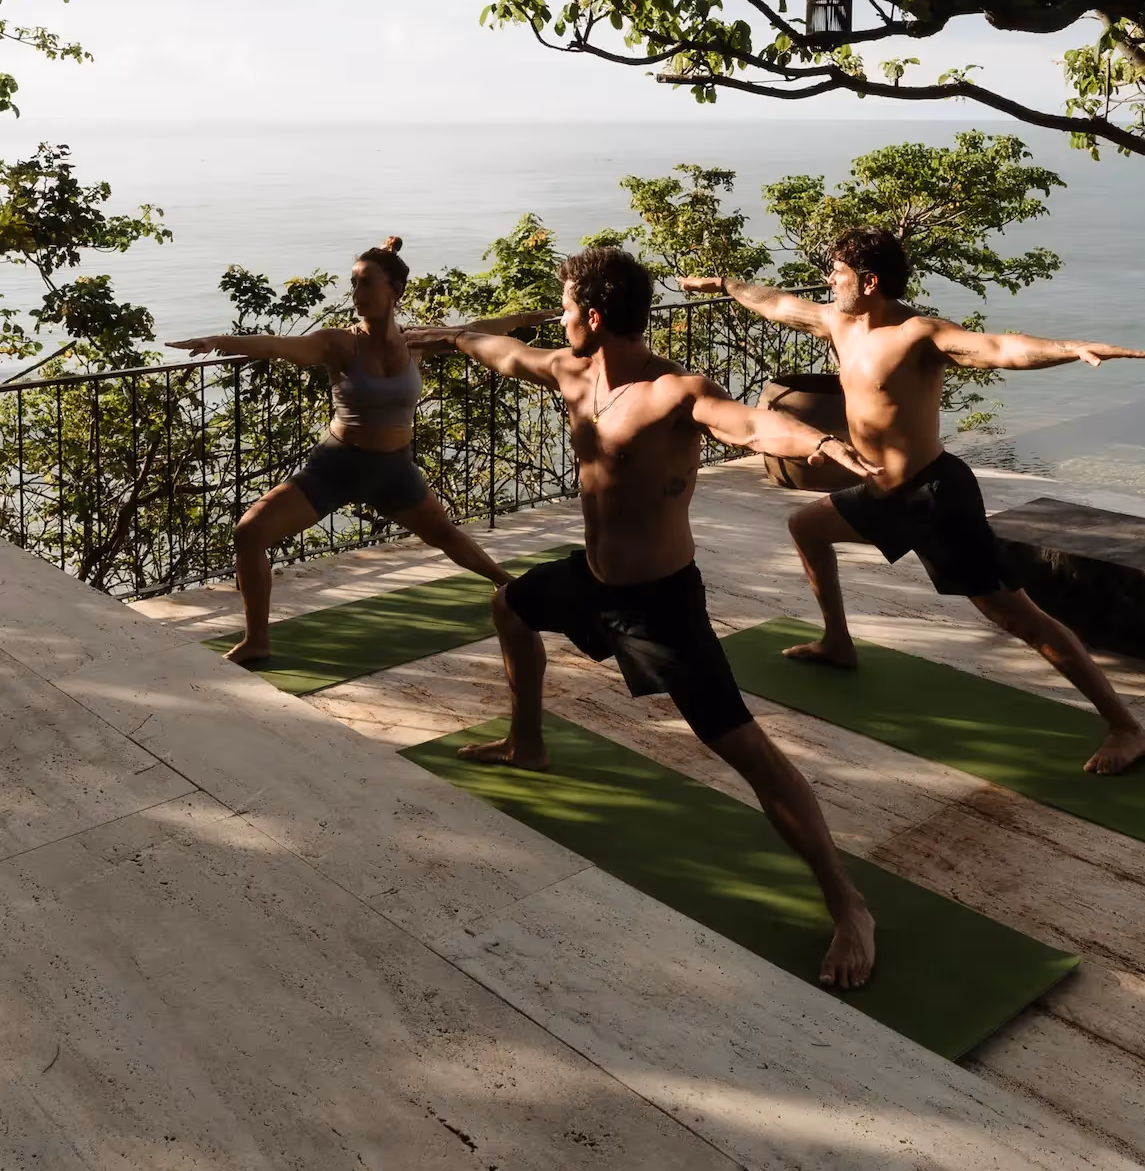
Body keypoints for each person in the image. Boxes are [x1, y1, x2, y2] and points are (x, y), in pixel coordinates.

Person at [415, 246, 881, 990]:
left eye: (565, 306)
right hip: (593, 579)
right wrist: (445, 336)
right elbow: (499, 350)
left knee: (749, 756)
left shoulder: (674, 392)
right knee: (508, 606)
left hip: (662, 604)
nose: (559, 317)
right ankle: (526, 742)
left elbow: (753, 426)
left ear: (594, 317)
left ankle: (848, 905)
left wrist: (823, 442)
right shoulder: (571, 373)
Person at [681, 228, 1145, 777]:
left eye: (838, 271)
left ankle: (1128, 727)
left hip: (935, 495)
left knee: (1019, 618)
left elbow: (997, 348)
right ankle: (838, 642)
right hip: (883, 489)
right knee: (807, 527)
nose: (829, 279)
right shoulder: (839, 322)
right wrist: (724, 282)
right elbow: (777, 305)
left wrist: (1069, 349)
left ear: (871, 281)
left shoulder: (917, 334)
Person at [169, 237, 549, 669]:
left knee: (447, 537)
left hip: (393, 470)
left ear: (396, 290)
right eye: (354, 283)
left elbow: (481, 328)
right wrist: (216, 341)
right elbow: (275, 345)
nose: (357, 293)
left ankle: (519, 590)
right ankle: (257, 640)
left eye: (367, 283)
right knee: (249, 533)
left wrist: (528, 317)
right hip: (337, 466)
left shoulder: (417, 341)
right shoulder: (339, 344)